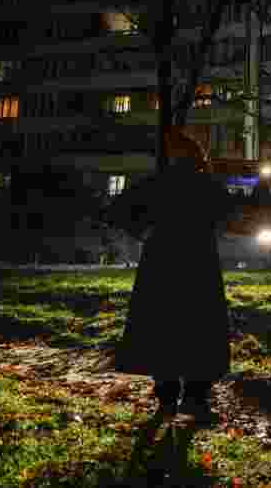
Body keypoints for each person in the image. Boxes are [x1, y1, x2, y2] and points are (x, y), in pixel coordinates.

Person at [104, 127, 238, 422]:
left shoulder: (157, 183)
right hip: (198, 262)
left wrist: (143, 232)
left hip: (161, 262)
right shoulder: (205, 185)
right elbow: (230, 215)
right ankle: (195, 398)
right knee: (200, 329)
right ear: (196, 157)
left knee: (161, 327)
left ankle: (167, 399)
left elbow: (117, 210)